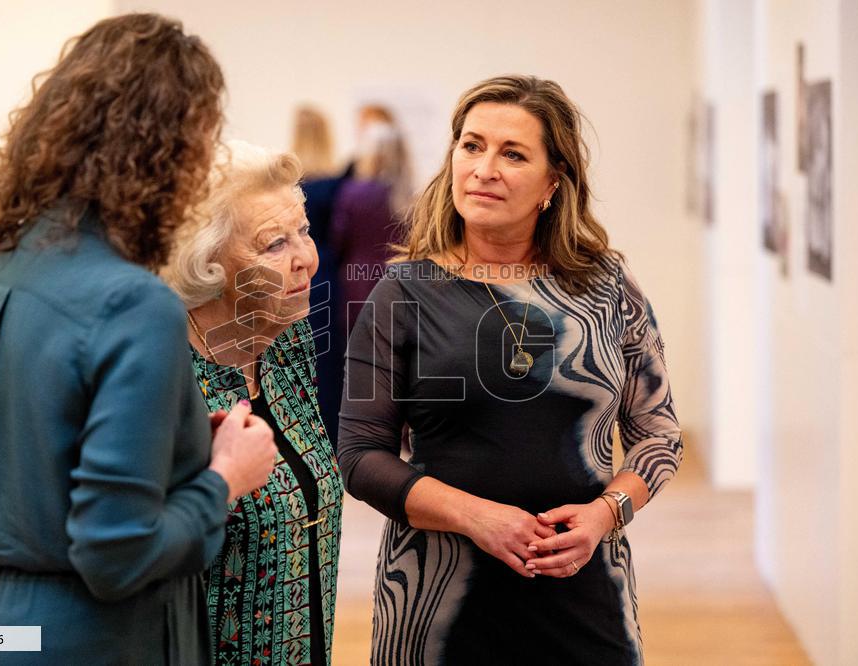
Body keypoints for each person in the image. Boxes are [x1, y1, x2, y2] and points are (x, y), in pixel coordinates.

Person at [0, 15, 277, 665]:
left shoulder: (4, 266)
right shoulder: (134, 303)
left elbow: (40, 448)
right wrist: (225, 478)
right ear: (168, 152)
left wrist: (180, 445)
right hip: (86, 638)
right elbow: (118, 553)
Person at [337, 75, 683, 665]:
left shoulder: (607, 287)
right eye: (471, 146)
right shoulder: (403, 292)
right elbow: (360, 456)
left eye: (513, 154)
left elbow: (659, 433)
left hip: (584, 590)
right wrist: (478, 518)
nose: (484, 169)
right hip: (437, 600)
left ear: (553, 182)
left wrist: (607, 513)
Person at [164, 140, 344, 666]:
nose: (306, 260)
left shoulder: (289, 340)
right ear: (206, 263)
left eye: (304, 232)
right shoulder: (167, 374)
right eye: (274, 245)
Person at [290, 105, 347, 443]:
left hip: (296, 270)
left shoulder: (291, 183)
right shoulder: (339, 182)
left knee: (302, 350)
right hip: (327, 269)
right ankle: (333, 434)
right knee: (329, 354)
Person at [330, 119, 413, 332]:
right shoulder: (411, 196)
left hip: (358, 279)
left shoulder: (353, 192)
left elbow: (339, 238)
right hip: (400, 280)